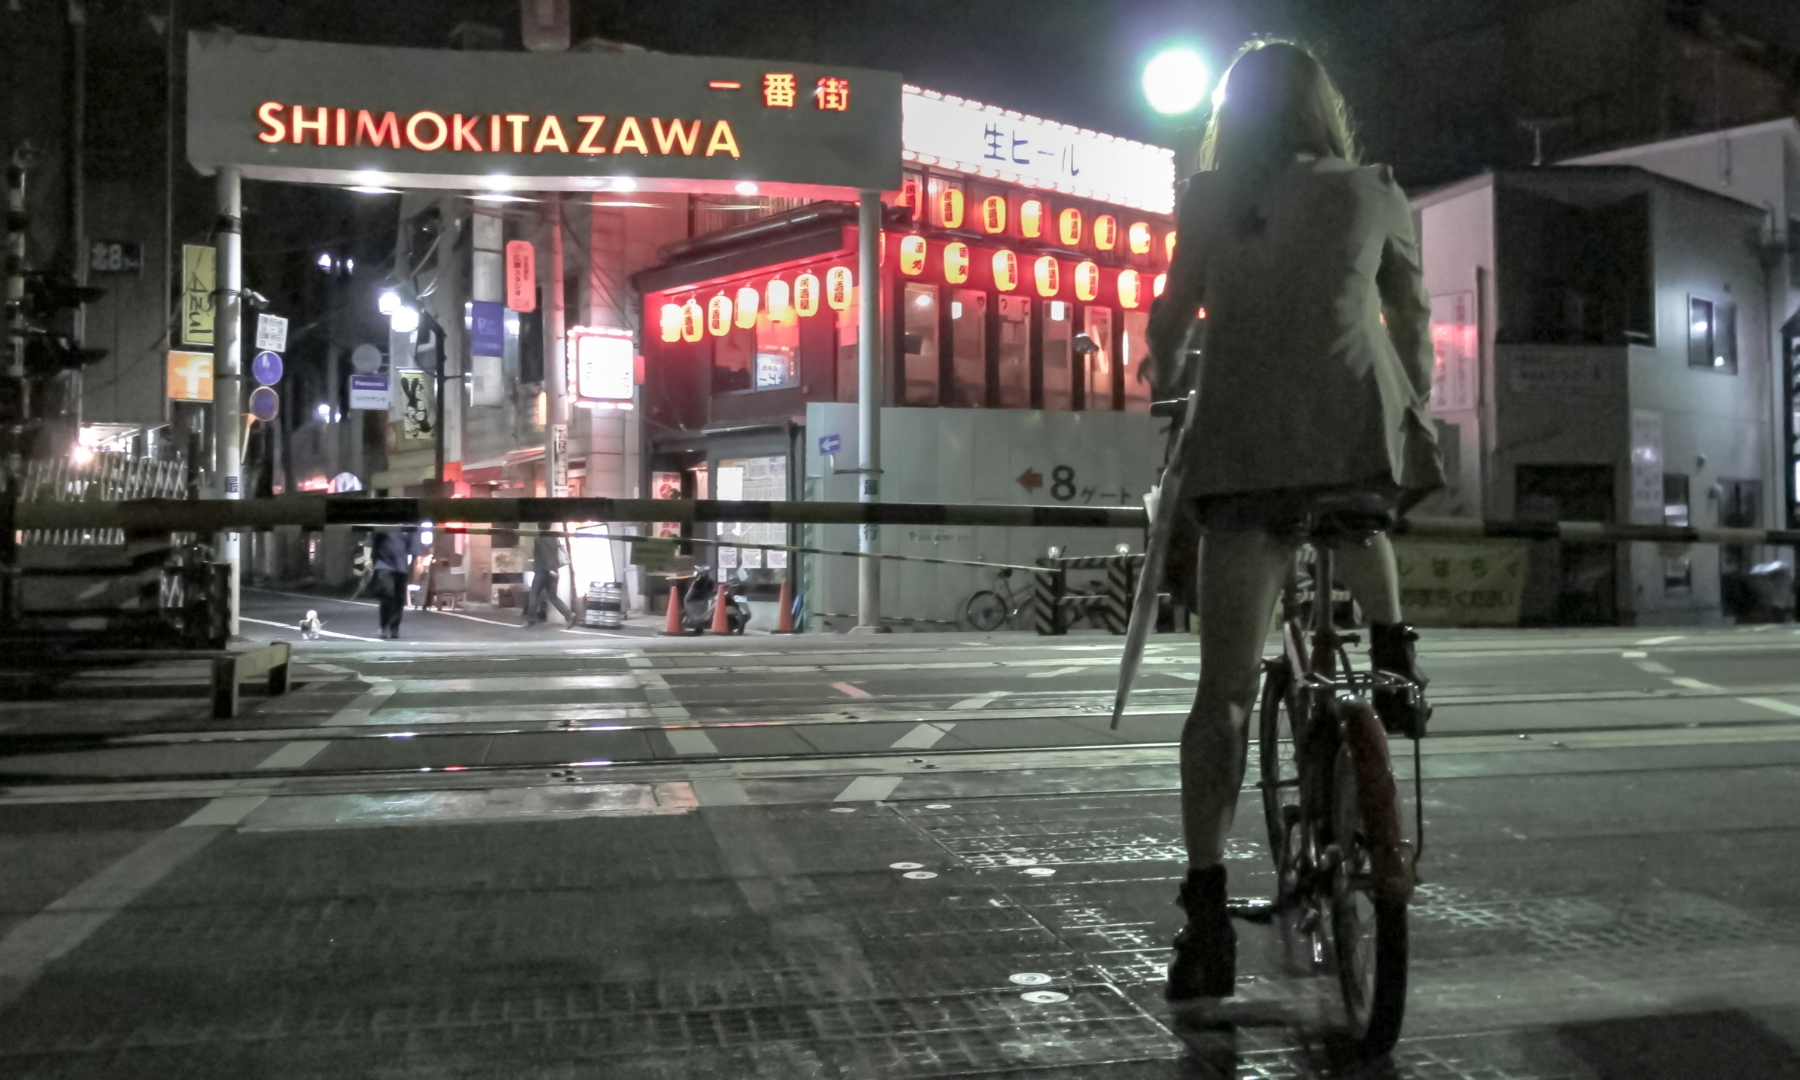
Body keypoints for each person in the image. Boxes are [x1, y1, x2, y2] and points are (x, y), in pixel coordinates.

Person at [1144, 40, 1444, 1002]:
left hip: (1244, 458)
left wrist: (1164, 371)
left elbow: (1170, 320)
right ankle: (1395, 656)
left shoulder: (1208, 197)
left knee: (1223, 699)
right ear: (1326, 109)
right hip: (1357, 441)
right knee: (1362, 507)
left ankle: (1206, 919)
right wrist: (1420, 402)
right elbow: (1414, 316)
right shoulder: (1377, 191)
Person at [366, 526, 422, 640]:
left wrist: (416, 560)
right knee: (387, 593)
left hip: (401, 564)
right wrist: (368, 560)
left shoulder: (407, 524)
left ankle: (394, 627)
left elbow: (414, 544)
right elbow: (370, 538)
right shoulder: (383, 521)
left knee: (399, 597)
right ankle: (384, 625)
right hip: (383, 562)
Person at [524, 522, 574, 627]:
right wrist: (553, 569)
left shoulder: (538, 537)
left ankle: (531, 619)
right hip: (554, 571)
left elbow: (542, 554)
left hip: (542, 570)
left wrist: (549, 568)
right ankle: (569, 614)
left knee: (534, 594)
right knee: (552, 596)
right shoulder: (554, 537)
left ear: (538, 526)